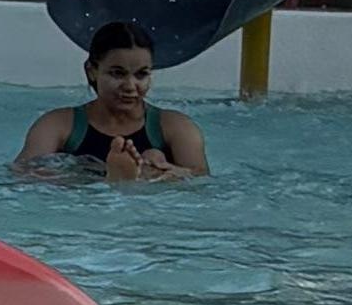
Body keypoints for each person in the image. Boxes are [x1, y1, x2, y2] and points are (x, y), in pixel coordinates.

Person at [12, 24, 209, 188]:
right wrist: (98, 177)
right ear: (92, 71)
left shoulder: (175, 127)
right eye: (118, 73)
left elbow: (203, 184)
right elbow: (21, 174)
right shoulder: (59, 125)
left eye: (141, 74)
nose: (130, 86)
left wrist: (167, 173)